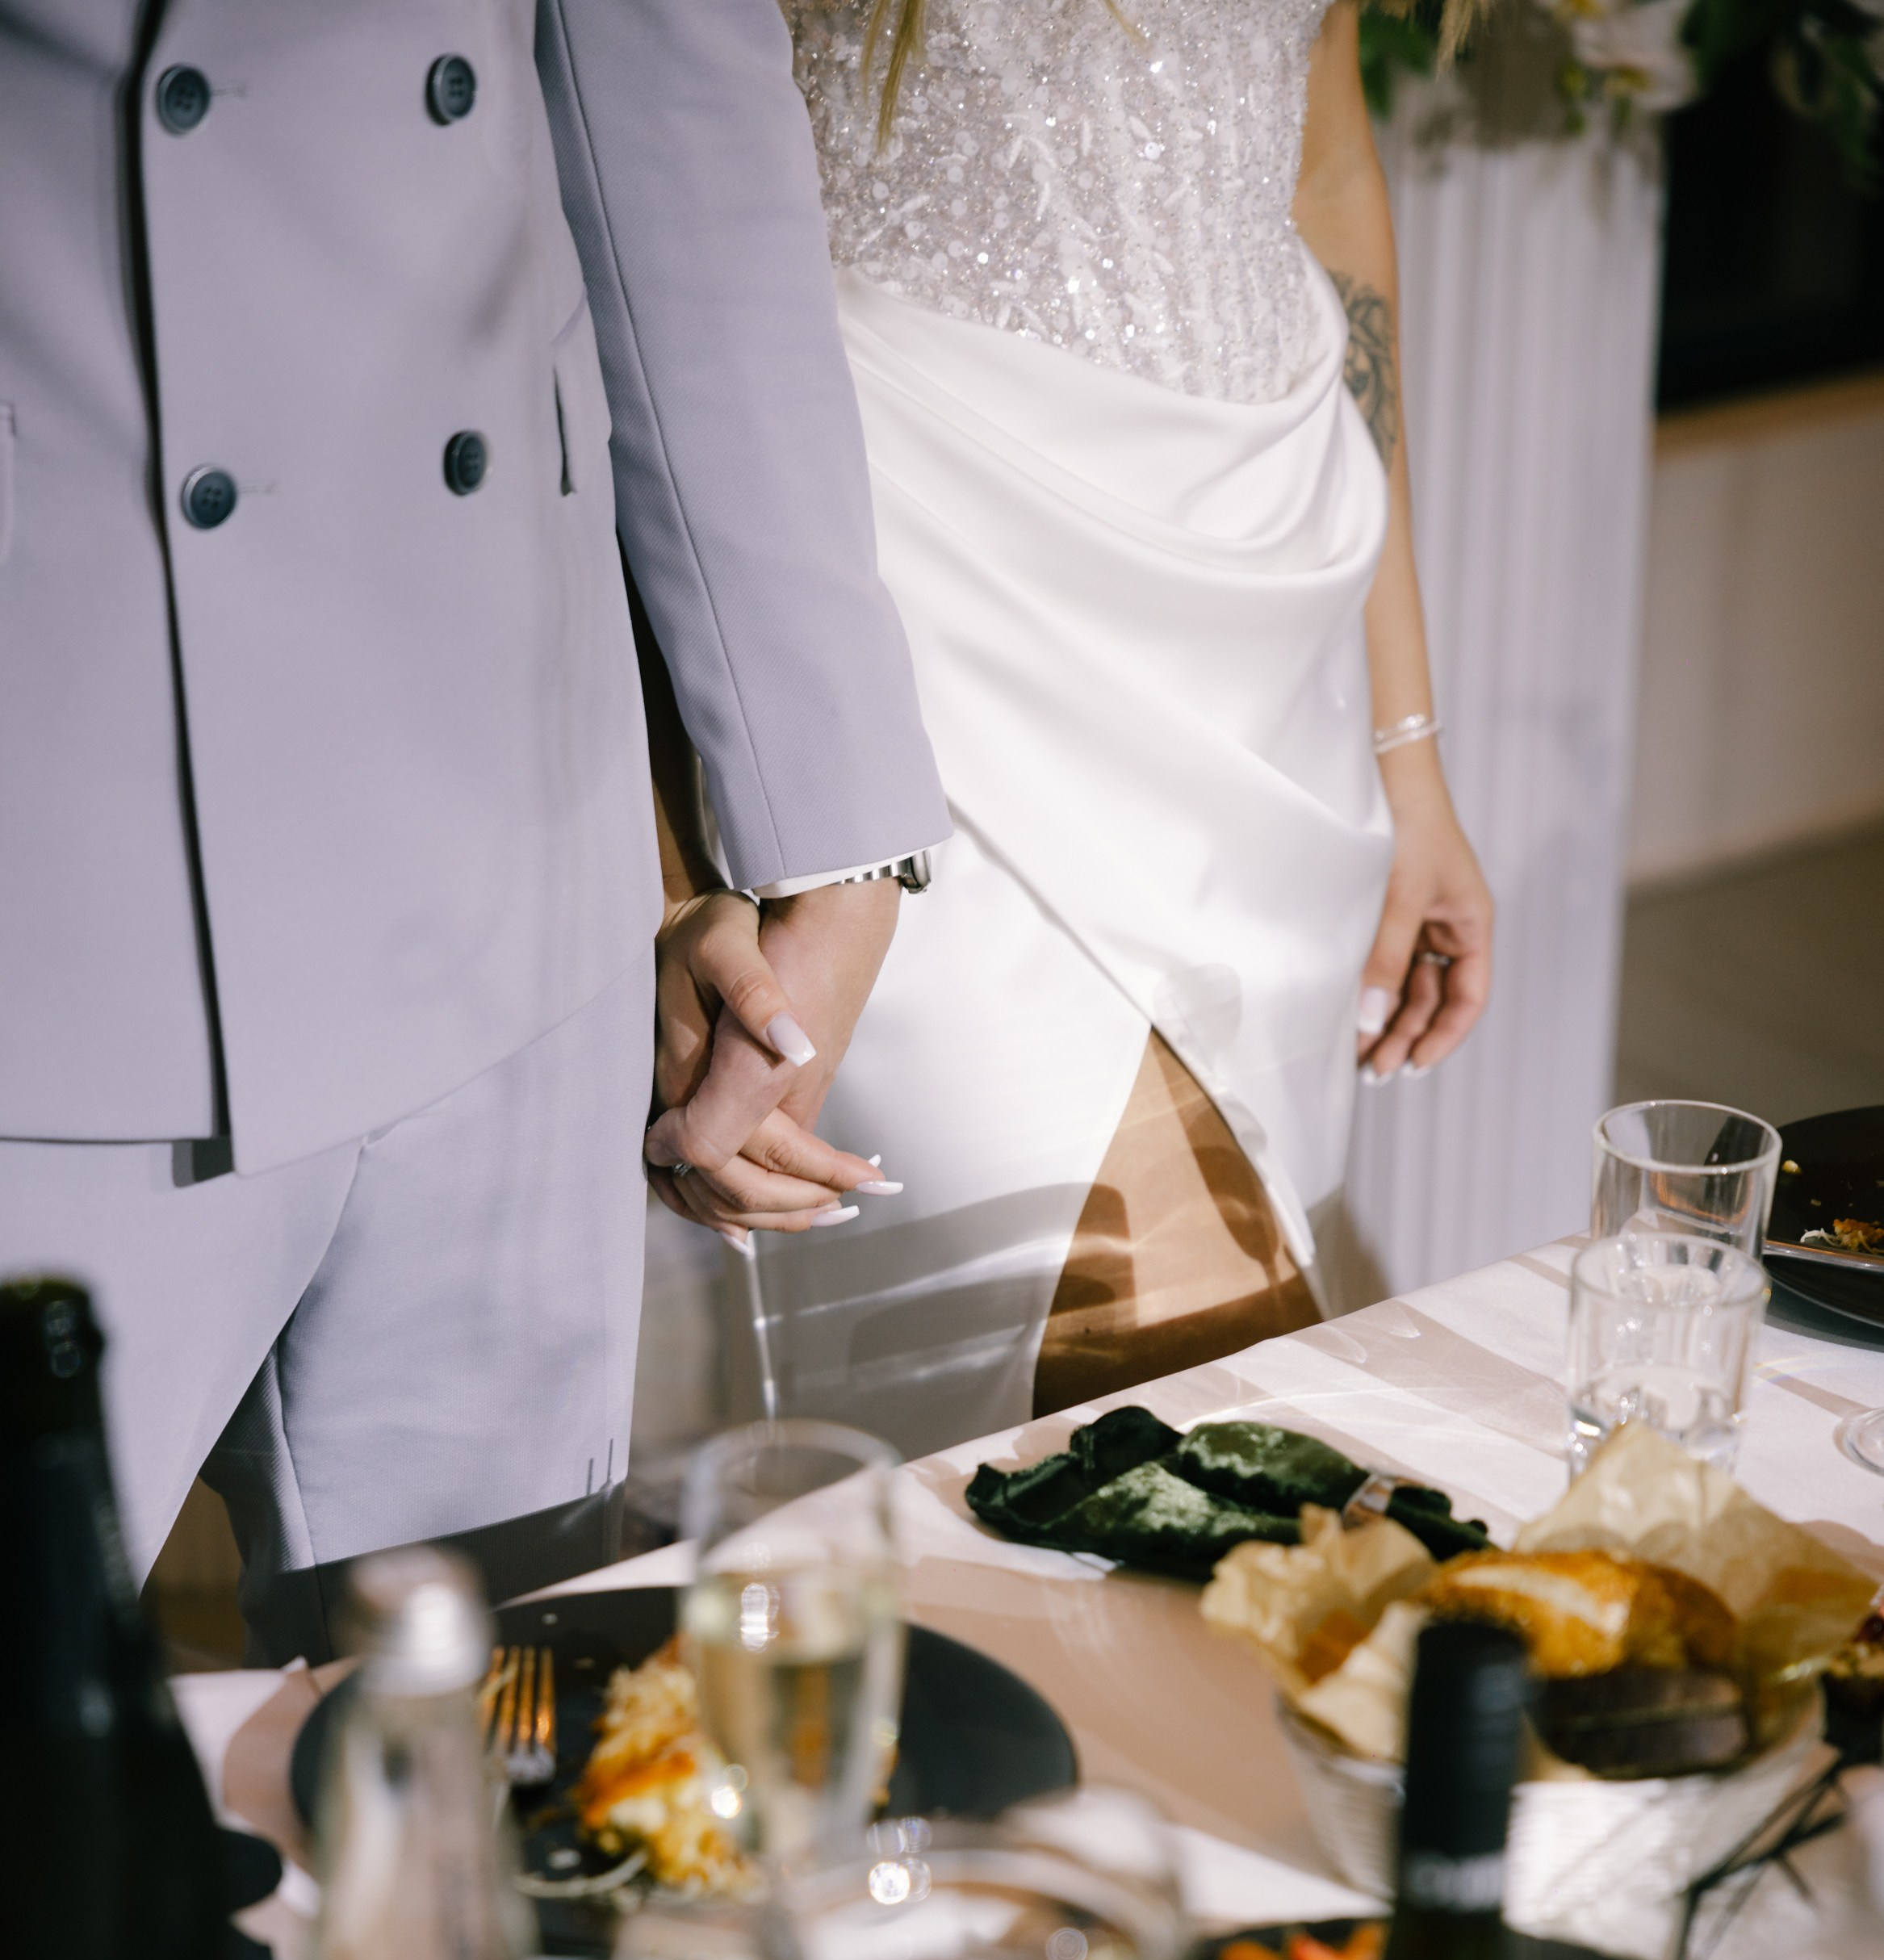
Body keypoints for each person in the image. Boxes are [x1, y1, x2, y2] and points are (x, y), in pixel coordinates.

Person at [0, 0, 946, 1659]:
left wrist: (831, 842)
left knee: (490, 1783)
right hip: (55, 880)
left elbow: (684, 144)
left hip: (504, 877)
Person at [643, 0, 1493, 1458]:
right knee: (1113, 1362)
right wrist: (670, 862)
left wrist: (1404, 753)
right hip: (916, 600)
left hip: (1259, 635)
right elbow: (638, 241)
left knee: (1238, 1351)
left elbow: (1325, 171)